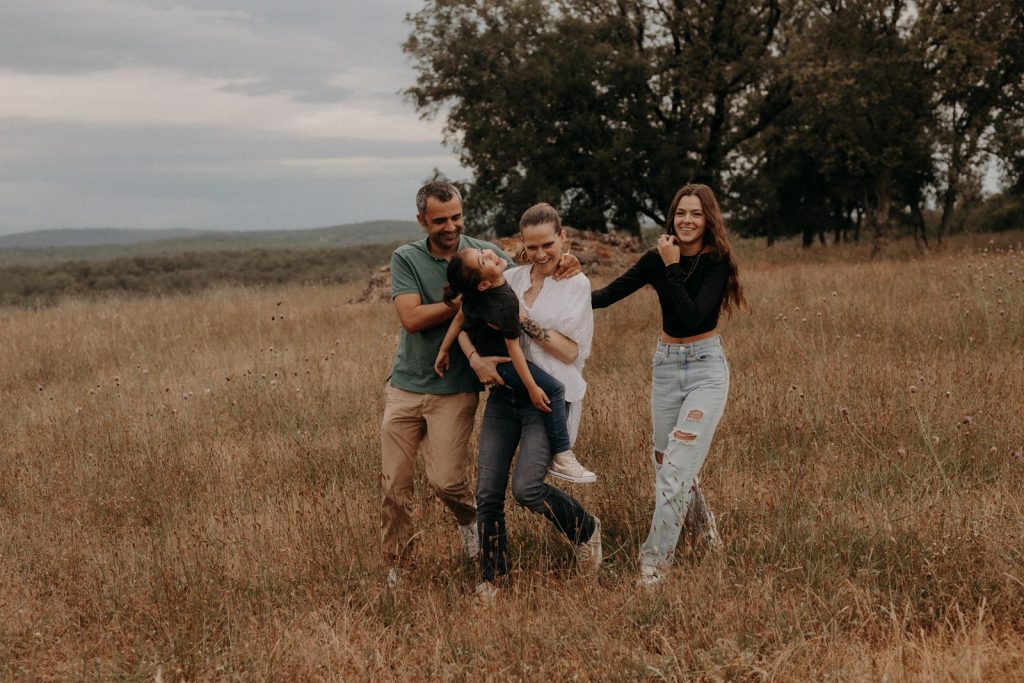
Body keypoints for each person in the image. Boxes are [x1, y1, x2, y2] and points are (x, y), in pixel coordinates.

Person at [381, 182, 579, 586]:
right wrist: (465, 302)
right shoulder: (407, 258)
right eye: (440, 220)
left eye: (456, 216)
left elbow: (523, 272)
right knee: (393, 485)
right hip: (404, 386)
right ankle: (396, 566)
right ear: (422, 221)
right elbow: (412, 319)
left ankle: (469, 520)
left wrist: (565, 261)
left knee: (447, 482)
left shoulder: (481, 252)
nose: (451, 226)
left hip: (455, 389)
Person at [591, 183, 746, 586]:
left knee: (674, 471)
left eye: (696, 214)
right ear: (671, 217)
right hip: (666, 366)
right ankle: (705, 528)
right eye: (681, 213)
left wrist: (672, 267)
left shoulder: (717, 262)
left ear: (708, 219)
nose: (687, 221)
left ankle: (654, 566)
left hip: (705, 369)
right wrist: (564, 281)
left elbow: (693, 317)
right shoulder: (655, 258)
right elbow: (605, 296)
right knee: (667, 464)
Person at [461, 202, 600, 600]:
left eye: (549, 245)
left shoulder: (577, 285)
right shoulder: (512, 277)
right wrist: (476, 355)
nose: (541, 254)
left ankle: (585, 530)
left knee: (526, 488)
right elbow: (470, 293)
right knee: (487, 491)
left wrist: (521, 319)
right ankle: (493, 577)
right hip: (506, 394)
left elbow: (571, 352)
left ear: (563, 239)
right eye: (532, 246)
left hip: (547, 397)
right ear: (520, 246)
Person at [434, 246, 596, 483]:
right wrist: (531, 388)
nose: (489, 253)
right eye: (482, 260)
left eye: (483, 251)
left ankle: (561, 454)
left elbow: (460, 317)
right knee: (555, 389)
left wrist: (443, 348)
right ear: (483, 284)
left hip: (496, 361)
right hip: (504, 364)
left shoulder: (475, 293)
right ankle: (562, 455)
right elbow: (514, 350)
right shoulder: (507, 303)